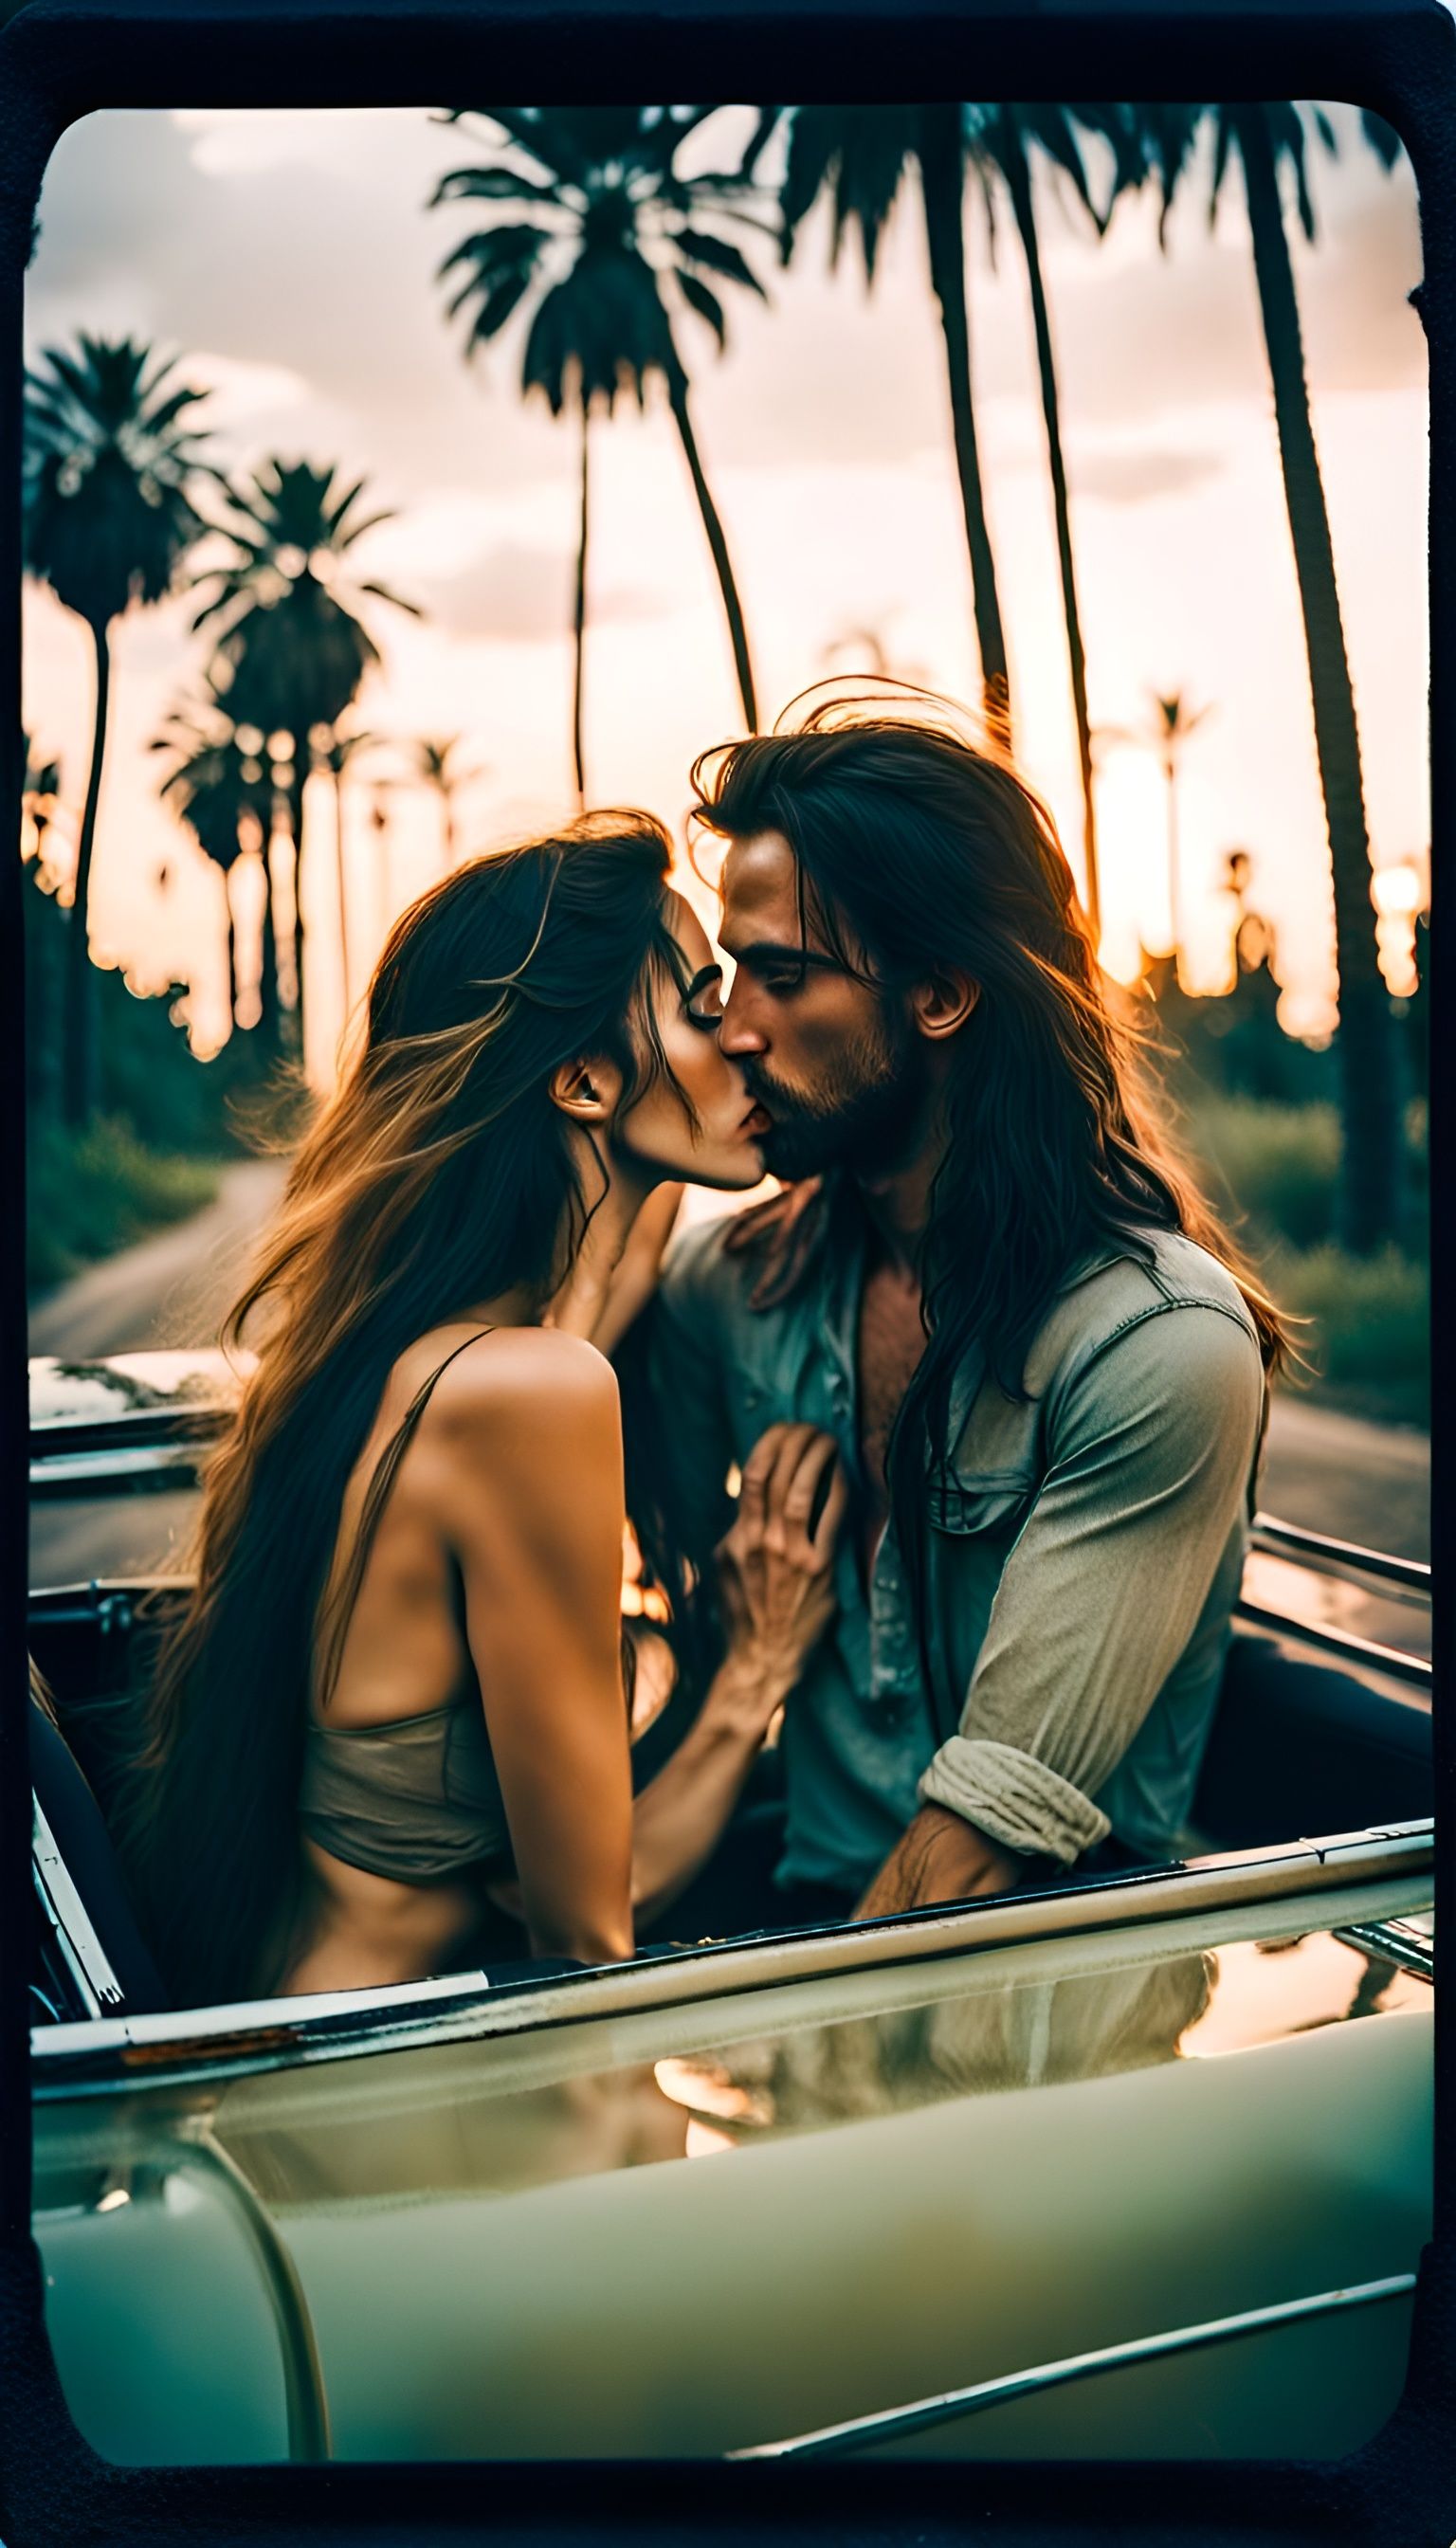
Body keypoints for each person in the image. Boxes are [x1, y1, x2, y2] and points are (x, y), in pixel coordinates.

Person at [121, 812, 844, 2008]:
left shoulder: (414, 1355)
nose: (746, 1041)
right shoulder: (530, 1394)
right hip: (380, 2112)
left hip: (293, 2031)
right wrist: (756, 1678)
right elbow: (586, 1940)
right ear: (582, 1080)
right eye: (701, 1006)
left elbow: (608, 1270)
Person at [622, 699, 1290, 1934]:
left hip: (1049, 2026)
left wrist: (801, 2082)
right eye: (726, 980)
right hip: (807, 1946)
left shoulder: (1155, 1345)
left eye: (784, 976)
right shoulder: (736, 1291)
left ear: (938, 995)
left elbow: (977, 1852)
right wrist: (643, 1163)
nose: (736, 1028)